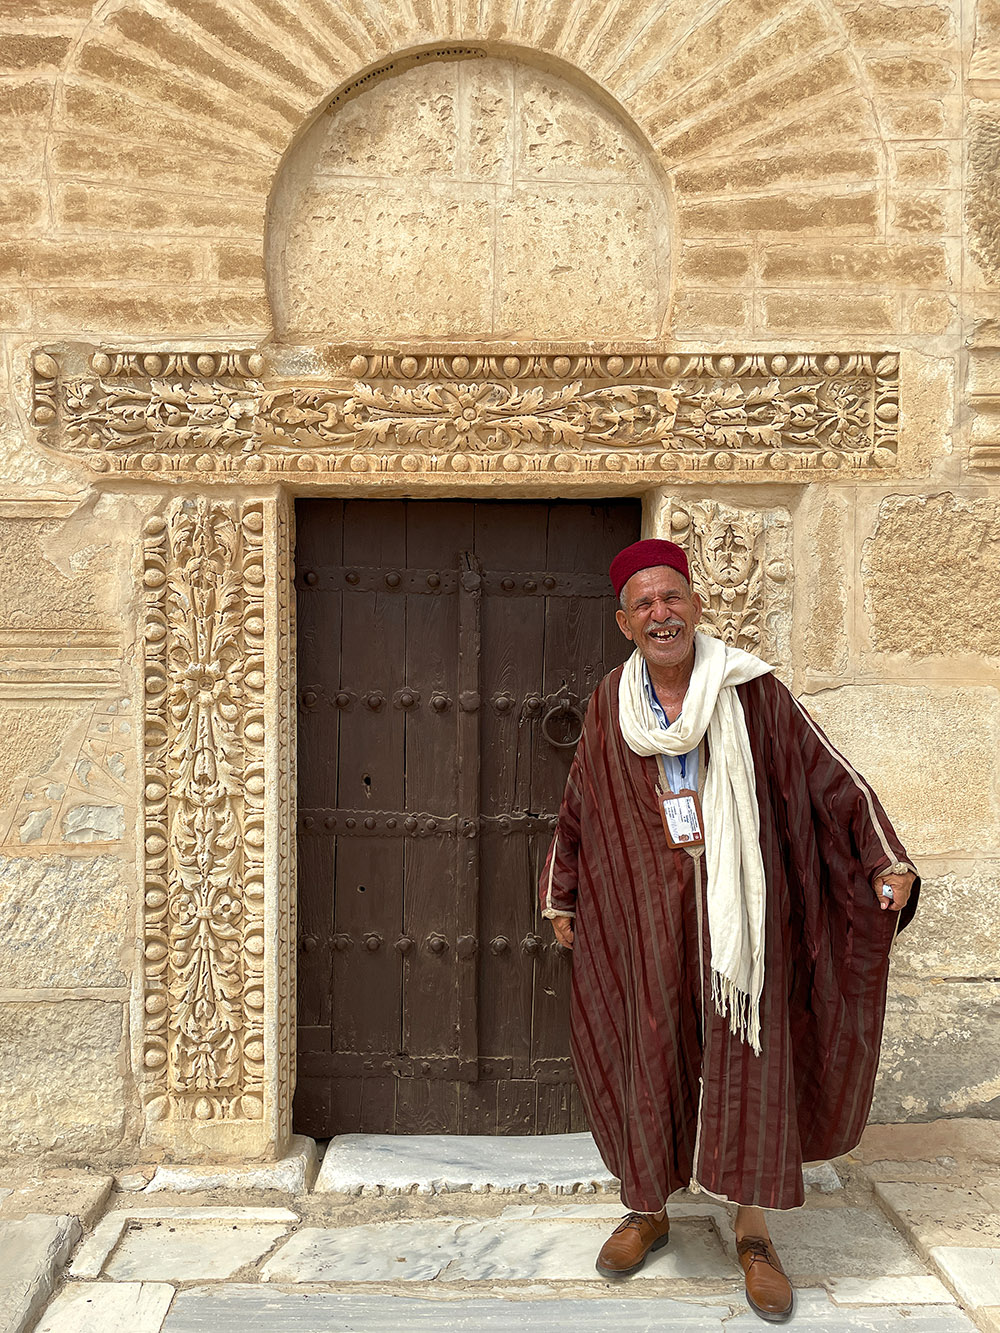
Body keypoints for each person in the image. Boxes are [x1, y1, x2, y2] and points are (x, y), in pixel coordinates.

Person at [540, 538, 918, 1324]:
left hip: (745, 926)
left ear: (696, 607)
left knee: (751, 1061)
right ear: (624, 621)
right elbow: (579, 806)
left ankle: (752, 1231)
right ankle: (648, 1210)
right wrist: (562, 892)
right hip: (647, 920)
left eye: (671, 597)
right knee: (650, 1049)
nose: (660, 613)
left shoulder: (751, 692)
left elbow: (830, 776)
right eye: (644, 604)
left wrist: (886, 857)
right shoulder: (614, 703)